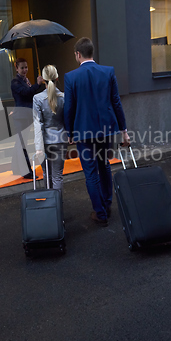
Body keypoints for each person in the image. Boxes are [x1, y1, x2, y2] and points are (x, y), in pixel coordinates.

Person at [64, 37, 130, 226]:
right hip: (105, 130)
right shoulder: (108, 72)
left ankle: (100, 213)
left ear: (78, 54)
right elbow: (116, 102)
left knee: (91, 173)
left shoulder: (71, 77)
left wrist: (69, 132)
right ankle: (107, 204)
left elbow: (69, 108)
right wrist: (123, 130)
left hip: (84, 132)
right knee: (104, 166)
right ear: (92, 52)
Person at [33, 65, 67, 192]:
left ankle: (50, 205)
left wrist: (38, 147)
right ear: (57, 78)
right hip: (60, 139)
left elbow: (38, 124)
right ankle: (58, 206)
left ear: (43, 79)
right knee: (57, 176)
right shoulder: (64, 97)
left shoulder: (37, 98)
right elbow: (67, 118)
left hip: (45, 141)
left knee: (47, 174)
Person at [10, 57, 44, 179]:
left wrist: (36, 85)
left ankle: (15, 168)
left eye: (26, 67)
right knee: (22, 144)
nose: (25, 70)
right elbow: (26, 92)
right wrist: (37, 84)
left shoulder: (25, 80)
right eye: (22, 67)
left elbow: (30, 94)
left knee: (20, 143)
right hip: (21, 117)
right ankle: (26, 171)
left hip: (25, 115)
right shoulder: (15, 82)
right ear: (16, 67)